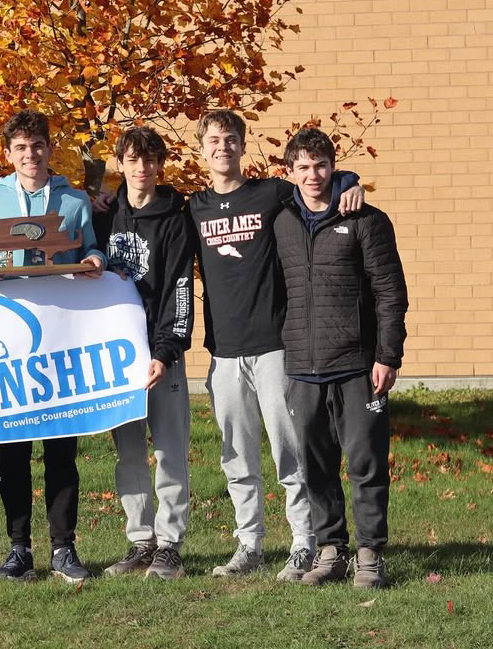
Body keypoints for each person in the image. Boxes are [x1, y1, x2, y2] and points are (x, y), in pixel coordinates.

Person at [188, 110, 367, 582]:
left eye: (230, 139)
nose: (222, 146)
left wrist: (350, 179)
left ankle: (305, 545)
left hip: (274, 347)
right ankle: (249, 545)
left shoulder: (270, 194)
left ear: (243, 145)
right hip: (223, 352)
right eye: (213, 140)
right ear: (201, 148)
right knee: (237, 456)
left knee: (290, 452)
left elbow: (319, 183)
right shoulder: (195, 207)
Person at [0, 109, 104, 584]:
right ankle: (19, 550)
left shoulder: (74, 199)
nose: (31, 154)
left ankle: (64, 548)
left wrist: (93, 259)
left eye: (38, 145)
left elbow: (92, 247)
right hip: (11, 336)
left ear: (49, 149)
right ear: (9, 154)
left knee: (61, 448)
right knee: (15, 448)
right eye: (21, 147)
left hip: (61, 336)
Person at [274, 127, 407, 588]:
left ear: (334, 166)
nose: (314, 175)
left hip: (358, 364)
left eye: (322, 165)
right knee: (316, 465)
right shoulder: (282, 219)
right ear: (289, 172)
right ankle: (331, 550)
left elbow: (391, 293)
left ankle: (371, 553)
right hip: (303, 367)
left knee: (366, 461)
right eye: (304, 167)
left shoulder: (368, 219)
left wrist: (388, 355)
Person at [96, 127, 195, 581]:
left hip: (161, 354)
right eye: (133, 160)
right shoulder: (105, 216)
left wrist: (167, 349)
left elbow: (179, 286)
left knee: (170, 451)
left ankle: (170, 544)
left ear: (160, 165)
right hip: (118, 357)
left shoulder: (176, 217)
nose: (142, 168)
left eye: (151, 160)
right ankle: (140, 540)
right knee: (130, 454)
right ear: (120, 163)